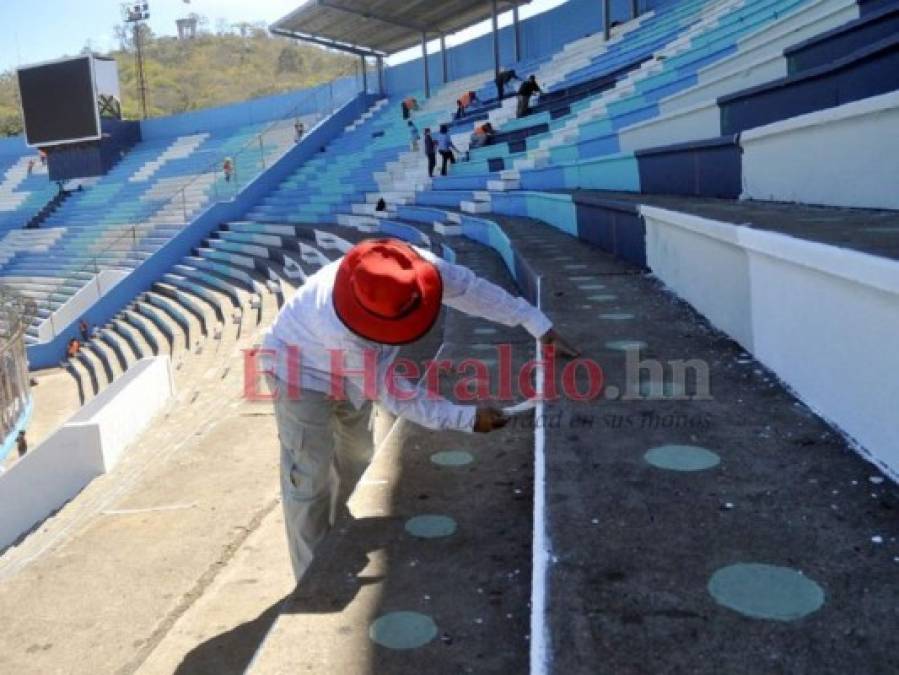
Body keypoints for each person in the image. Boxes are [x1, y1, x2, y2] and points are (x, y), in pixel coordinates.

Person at [260, 238, 577, 582]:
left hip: (352, 373)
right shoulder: (334, 325)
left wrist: (538, 326)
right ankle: (314, 580)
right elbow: (391, 392)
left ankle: (336, 531)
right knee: (309, 474)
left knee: (357, 456)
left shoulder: (416, 269)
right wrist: (467, 418)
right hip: (297, 371)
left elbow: (471, 290)